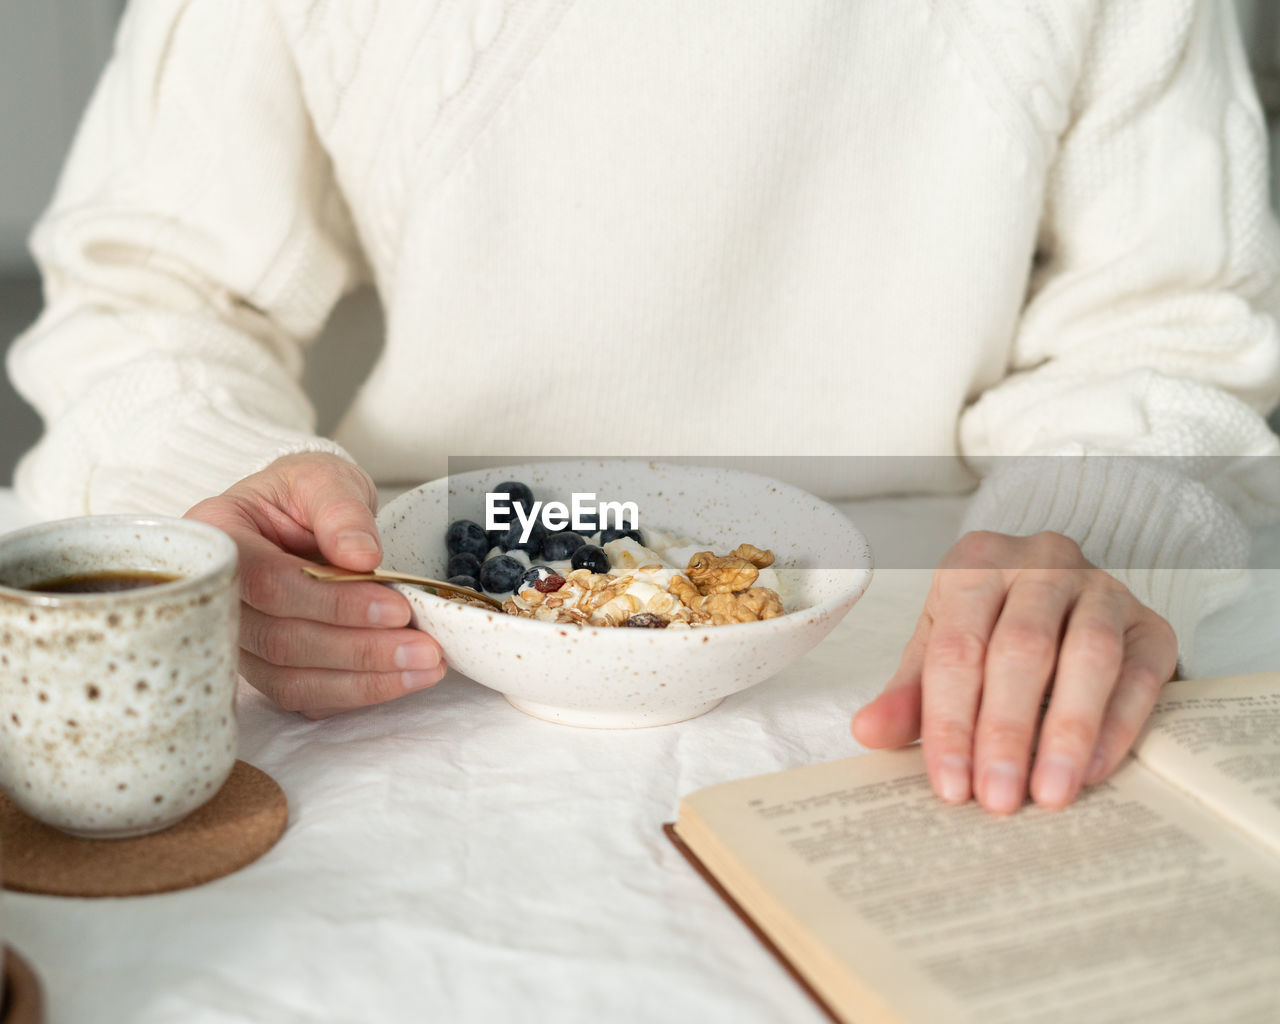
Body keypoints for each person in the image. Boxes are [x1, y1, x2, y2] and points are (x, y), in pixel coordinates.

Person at [7, 0, 1279, 816]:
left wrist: (1095, 531)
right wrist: (225, 493)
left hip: (929, 667)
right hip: (406, 661)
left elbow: (1169, 330)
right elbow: (147, 286)